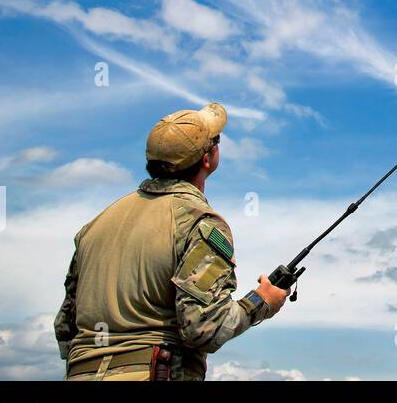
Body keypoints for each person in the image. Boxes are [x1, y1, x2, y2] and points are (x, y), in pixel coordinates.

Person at [53, 102, 289, 380]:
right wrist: (261, 302)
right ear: (207, 159)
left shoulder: (95, 225)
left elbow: (65, 328)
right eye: (216, 141)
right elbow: (204, 328)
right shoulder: (200, 222)